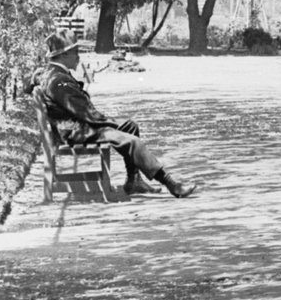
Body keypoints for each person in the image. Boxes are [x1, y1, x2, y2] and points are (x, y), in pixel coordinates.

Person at [31, 33, 198, 198]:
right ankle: (171, 184)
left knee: (130, 125)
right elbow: (86, 113)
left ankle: (134, 181)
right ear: (64, 54)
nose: (78, 56)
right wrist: (109, 123)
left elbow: (79, 109)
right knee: (132, 141)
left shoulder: (51, 74)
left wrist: (111, 123)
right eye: (76, 52)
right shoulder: (58, 80)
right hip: (75, 131)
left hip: (76, 125)